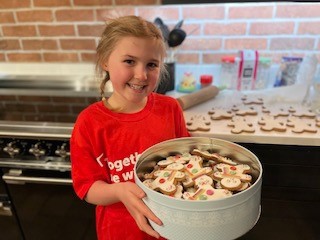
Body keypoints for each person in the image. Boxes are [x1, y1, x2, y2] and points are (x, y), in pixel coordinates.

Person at [70, 15, 190, 240]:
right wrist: (118, 190)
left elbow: (186, 160)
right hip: (121, 232)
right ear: (105, 60)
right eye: (129, 61)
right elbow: (87, 188)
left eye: (151, 64)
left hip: (172, 228)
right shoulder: (90, 122)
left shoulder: (170, 109)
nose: (141, 75)